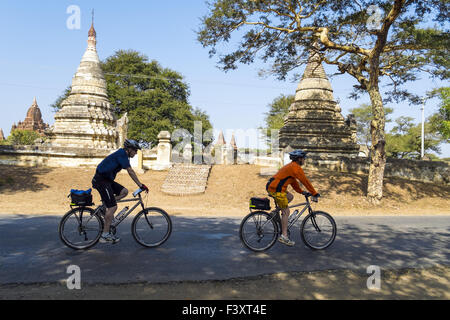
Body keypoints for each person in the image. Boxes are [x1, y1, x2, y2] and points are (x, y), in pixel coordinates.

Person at [92, 139, 149, 244]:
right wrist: (140, 185)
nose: (136, 153)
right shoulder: (122, 154)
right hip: (101, 180)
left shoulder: (124, 155)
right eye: (135, 150)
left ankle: (105, 206)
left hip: (107, 180)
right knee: (113, 207)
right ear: (129, 149)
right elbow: (130, 171)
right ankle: (104, 236)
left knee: (124, 192)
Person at [266, 149, 320, 246]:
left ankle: (276, 213)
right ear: (299, 159)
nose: (304, 160)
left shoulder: (292, 167)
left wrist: (302, 192)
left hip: (274, 187)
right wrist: (314, 193)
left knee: (290, 196)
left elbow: (294, 183)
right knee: (286, 211)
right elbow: (305, 181)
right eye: (304, 159)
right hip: (276, 189)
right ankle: (284, 236)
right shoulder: (295, 168)